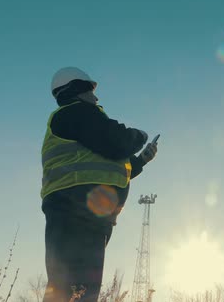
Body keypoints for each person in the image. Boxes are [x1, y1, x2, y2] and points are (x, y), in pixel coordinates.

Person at [41, 67, 157, 301]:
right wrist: (140, 135)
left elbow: (109, 170)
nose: (96, 97)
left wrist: (142, 159)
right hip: (76, 212)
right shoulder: (76, 113)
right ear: (77, 90)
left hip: (82, 214)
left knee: (74, 288)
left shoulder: (82, 125)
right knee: (75, 288)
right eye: (91, 90)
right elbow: (119, 141)